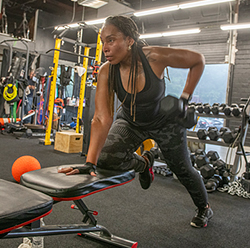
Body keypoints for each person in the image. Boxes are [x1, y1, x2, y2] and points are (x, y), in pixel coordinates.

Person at [58, 15, 213, 228]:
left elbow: (198, 60)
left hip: (165, 122)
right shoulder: (107, 70)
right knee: (106, 158)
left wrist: (184, 99)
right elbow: (102, 117)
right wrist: (90, 163)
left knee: (182, 169)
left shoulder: (154, 57)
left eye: (111, 40)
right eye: (103, 41)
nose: (105, 47)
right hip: (131, 121)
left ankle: (204, 207)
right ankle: (145, 163)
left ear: (129, 40)